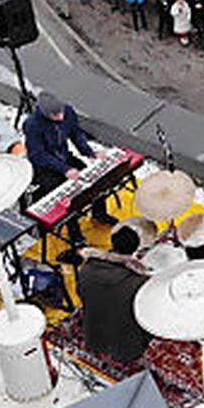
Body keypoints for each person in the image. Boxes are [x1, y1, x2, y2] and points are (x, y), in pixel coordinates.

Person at [23, 92, 109, 244]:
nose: (61, 117)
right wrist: (64, 169)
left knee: (95, 181)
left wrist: (90, 152)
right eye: (56, 115)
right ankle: (75, 235)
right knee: (68, 199)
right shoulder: (32, 125)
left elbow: (76, 134)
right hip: (46, 168)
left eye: (61, 112)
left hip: (65, 158)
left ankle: (100, 214)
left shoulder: (67, 111)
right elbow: (38, 155)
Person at [76, 226, 151, 363]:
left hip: (94, 333)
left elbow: (81, 295)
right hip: (126, 345)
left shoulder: (87, 269)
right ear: (135, 249)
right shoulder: (138, 283)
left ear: (112, 243)